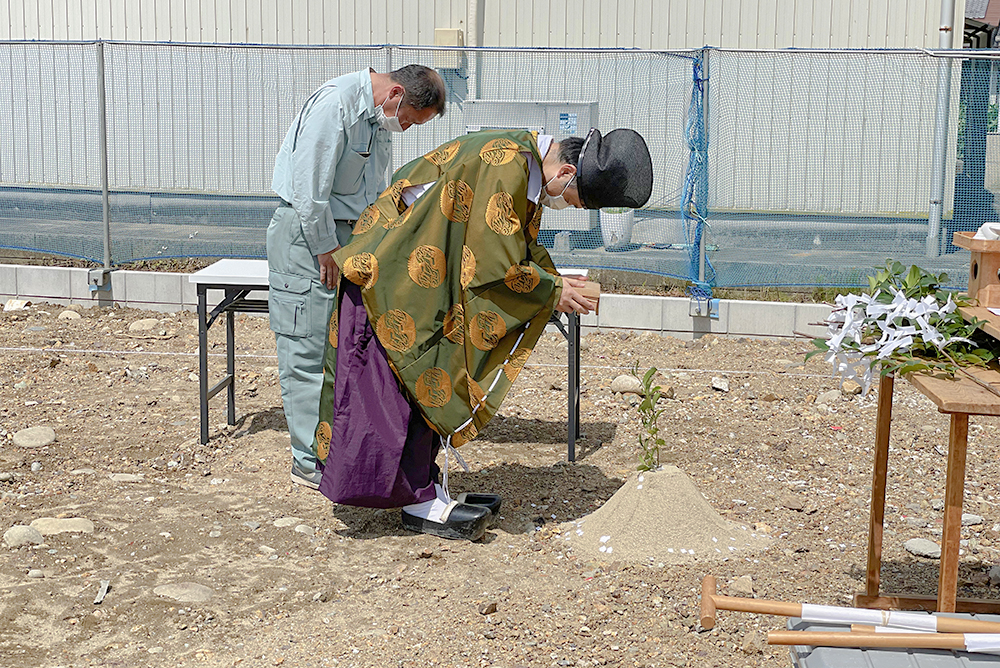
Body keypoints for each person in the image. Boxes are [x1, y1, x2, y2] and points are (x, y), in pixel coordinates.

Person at [312, 127, 653, 540]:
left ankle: (423, 488)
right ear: (565, 172)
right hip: (388, 285)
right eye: (574, 199)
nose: (564, 205)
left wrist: (552, 280)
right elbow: (496, 267)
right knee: (400, 389)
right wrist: (551, 289)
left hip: (413, 279)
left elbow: (508, 245)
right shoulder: (505, 163)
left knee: (427, 378)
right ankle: (419, 501)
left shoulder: (517, 159)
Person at [267, 65, 446, 490]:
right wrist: (326, 247)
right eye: (406, 119)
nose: (402, 128)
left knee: (343, 345)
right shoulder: (337, 105)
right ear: (396, 93)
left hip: (346, 239)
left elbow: (369, 189)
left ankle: (334, 448)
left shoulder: (374, 116)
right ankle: (308, 460)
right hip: (310, 238)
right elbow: (308, 189)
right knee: (307, 346)